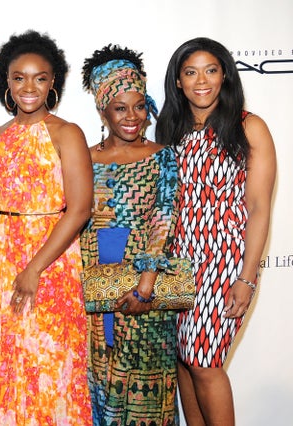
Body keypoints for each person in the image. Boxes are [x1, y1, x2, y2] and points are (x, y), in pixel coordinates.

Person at [156, 37, 276, 425]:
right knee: (183, 362)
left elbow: (258, 208)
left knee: (204, 362)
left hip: (224, 262)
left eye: (210, 70)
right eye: (190, 72)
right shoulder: (171, 129)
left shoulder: (248, 127)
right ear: (178, 81)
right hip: (177, 263)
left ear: (224, 74)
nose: (201, 81)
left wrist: (247, 277)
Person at [0, 30, 94, 424]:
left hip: (50, 262)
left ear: (53, 82)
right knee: (5, 363)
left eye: (40, 77)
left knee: (50, 366)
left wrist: (34, 269)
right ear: (6, 83)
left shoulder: (67, 133)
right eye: (19, 77)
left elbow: (78, 210)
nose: (29, 87)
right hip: (0, 265)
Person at [81, 44, 180, 425]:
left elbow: (163, 220)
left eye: (140, 105)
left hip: (144, 286)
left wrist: (146, 286)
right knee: (100, 388)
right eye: (120, 108)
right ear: (102, 110)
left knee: (146, 393)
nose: (132, 116)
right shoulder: (82, 157)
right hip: (94, 286)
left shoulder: (163, 156)